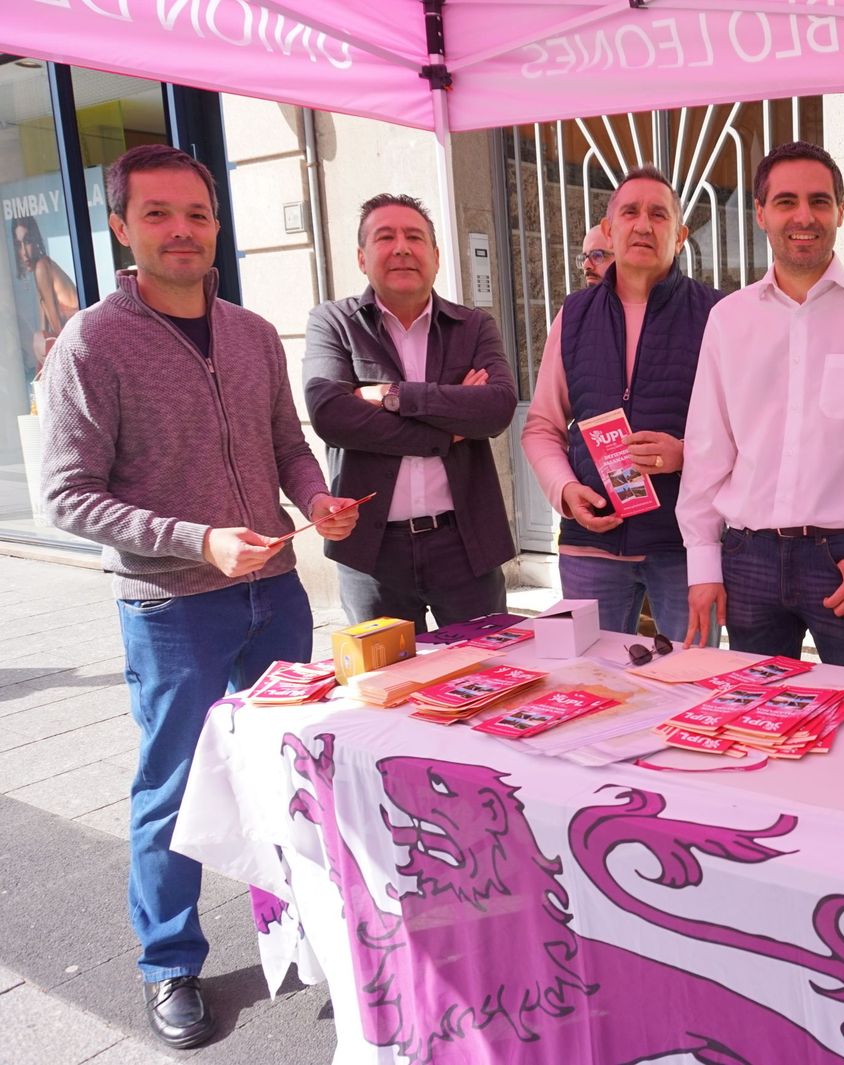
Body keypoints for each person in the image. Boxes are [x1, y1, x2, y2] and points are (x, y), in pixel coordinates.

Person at [38, 144, 358, 1049]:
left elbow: (285, 441)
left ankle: (306, 928)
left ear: (217, 223)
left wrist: (314, 495)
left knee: (293, 766)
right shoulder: (93, 342)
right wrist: (196, 540)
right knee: (173, 786)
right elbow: (67, 493)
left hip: (276, 593)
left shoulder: (252, 331)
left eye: (197, 214)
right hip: (172, 607)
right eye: (158, 215)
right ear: (119, 227)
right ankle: (169, 962)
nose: (182, 230)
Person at [678, 141, 844, 671]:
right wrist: (703, 564)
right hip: (748, 560)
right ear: (761, 214)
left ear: (841, 211)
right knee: (758, 719)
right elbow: (707, 450)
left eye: (820, 201)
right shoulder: (729, 319)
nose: (804, 216)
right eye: (786, 201)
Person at [522, 166, 722, 641]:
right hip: (591, 543)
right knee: (592, 683)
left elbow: (748, 432)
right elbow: (542, 426)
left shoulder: (717, 314)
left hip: (684, 545)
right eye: (630, 212)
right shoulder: (573, 315)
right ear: (610, 230)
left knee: (691, 682)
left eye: (659, 214)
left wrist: (684, 455)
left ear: (680, 236)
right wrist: (566, 492)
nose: (644, 224)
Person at [303, 193, 517, 631]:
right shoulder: (333, 323)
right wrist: (447, 427)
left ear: (436, 257)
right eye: (385, 237)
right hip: (371, 553)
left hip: (466, 544)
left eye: (414, 237)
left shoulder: (474, 326)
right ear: (362, 258)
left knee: (488, 679)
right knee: (383, 689)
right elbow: (331, 416)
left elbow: (496, 409)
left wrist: (394, 396)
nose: (402, 247)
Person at [12, 214, 80, 377]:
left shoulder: (42, 267)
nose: (24, 253)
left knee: (40, 340)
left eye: (27, 242)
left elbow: (57, 329)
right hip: (73, 340)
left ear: (35, 241)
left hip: (76, 340)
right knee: (39, 338)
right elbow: (44, 327)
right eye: (19, 245)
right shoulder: (41, 269)